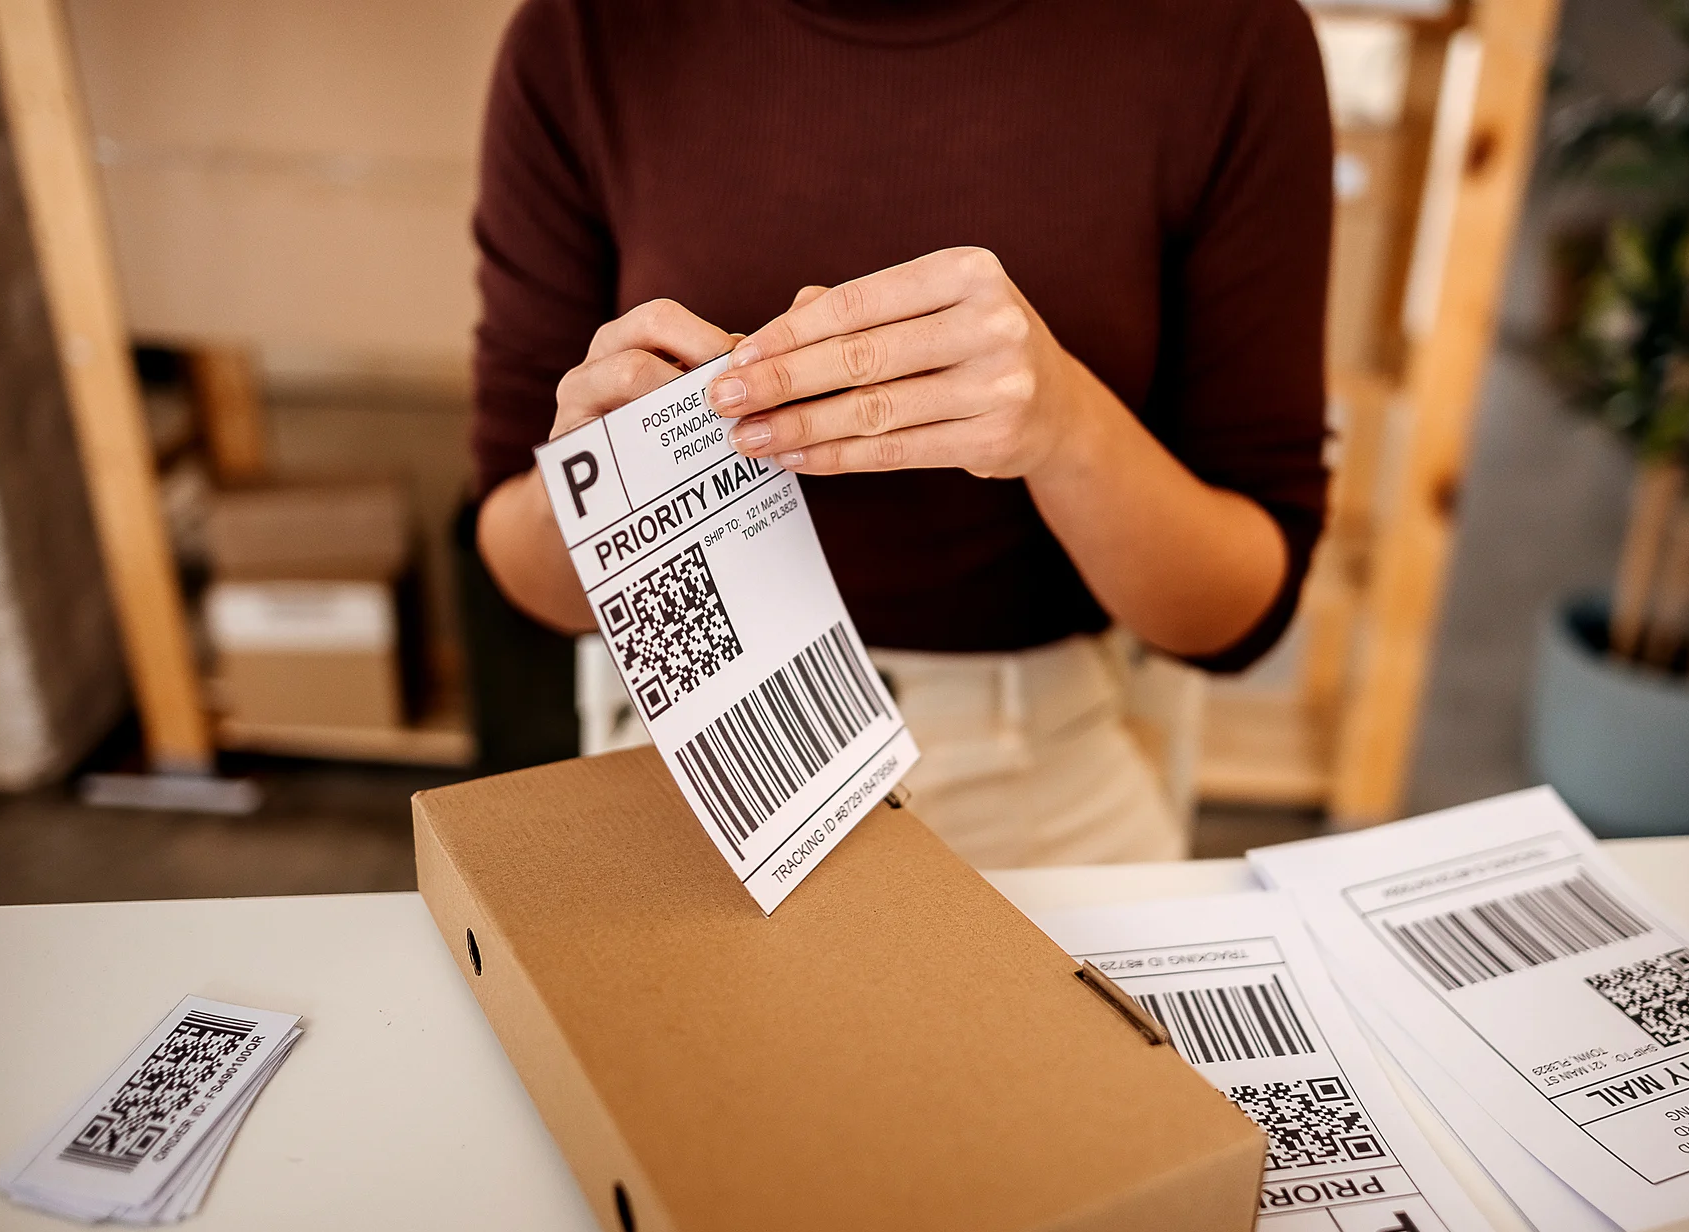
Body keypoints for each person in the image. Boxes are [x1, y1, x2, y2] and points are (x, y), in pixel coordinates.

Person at [470, 0, 1332, 867]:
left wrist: (1067, 429)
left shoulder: (1230, 35)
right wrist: (592, 487)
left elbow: (1241, 607)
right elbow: (518, 562)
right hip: (683, 758)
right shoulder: (587, 34)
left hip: (1042, 774)